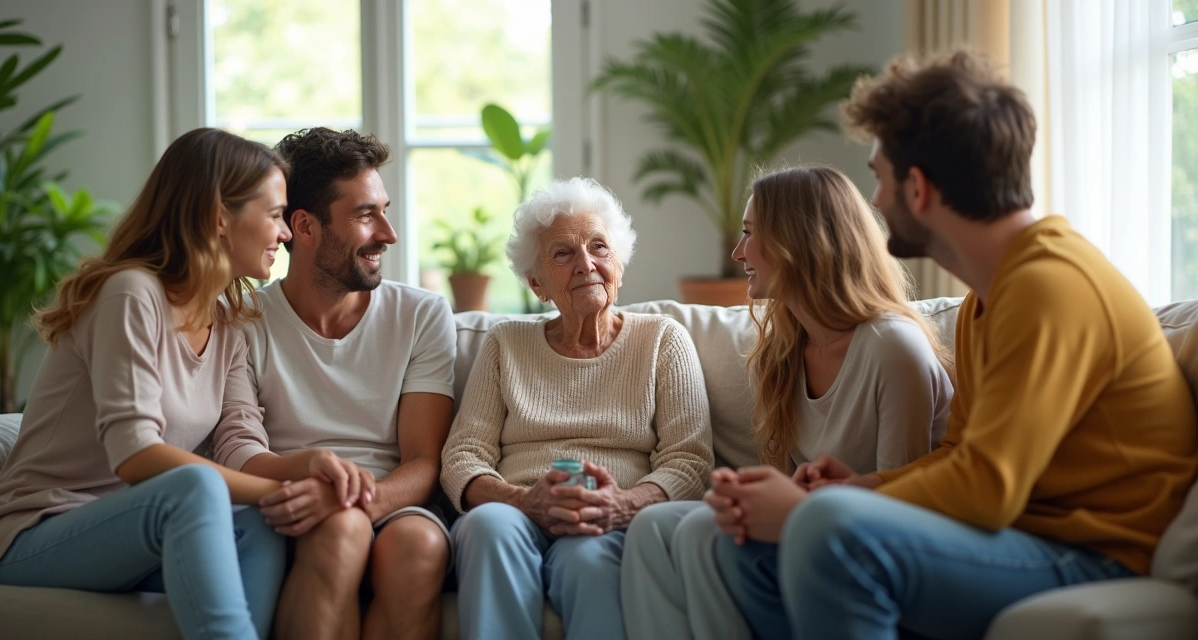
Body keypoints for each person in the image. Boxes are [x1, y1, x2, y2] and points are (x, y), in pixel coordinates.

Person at [709, 49, 1198, 640]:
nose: (874, 202)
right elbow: (962, 455)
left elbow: (988, 490)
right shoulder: (984, 302)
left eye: (878, 177)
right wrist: (856, 487)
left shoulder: (1050, 286)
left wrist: (818, 509)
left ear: (917, 189)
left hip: (1093, 555)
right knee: (744, 549)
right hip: (1021, 539)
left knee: (827, 530)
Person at [0, 128, 293, 639]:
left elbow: (240, 442)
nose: (284, 234)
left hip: (127, 531)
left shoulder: (229, 324)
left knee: (261, 524)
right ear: (220, 217)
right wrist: (274, 490)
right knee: (195, 487)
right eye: (276, 213)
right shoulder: (130, 294)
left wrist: (313, 472)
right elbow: (136, 454)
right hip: (33, 534)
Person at [620, 165, 954, 640]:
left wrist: (803, 501)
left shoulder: (892, 347)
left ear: (795, 243)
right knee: (656, 526)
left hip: (883, 547)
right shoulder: (782, 349)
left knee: (700, 533)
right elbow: (791, 482)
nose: (738, 253)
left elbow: (901, 509)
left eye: (749, 234)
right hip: (822, 526)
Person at [439, 176, 714, 640]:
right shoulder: (506, 344)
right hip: (515, 508)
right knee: (487, 527)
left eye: (599, 247)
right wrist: (524, 500)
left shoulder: (663, 340)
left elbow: (689, 459)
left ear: (619, 264)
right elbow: (462, 457)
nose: (586, 264)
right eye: (563, 253)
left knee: (589, 558)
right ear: (537, 283)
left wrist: (620, 506)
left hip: (607, 516)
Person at [217, 127, 457, 640]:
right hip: (292, 498)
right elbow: (238, 450)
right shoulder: (240, 319)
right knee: (342, 530)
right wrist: (326, 501)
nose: (389, 234)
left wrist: (355, 500)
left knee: (421, 547)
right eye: (366, 215)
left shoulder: (421, 315)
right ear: (304, 227)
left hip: (397, 500)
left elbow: (424, 461)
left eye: (384, 210)